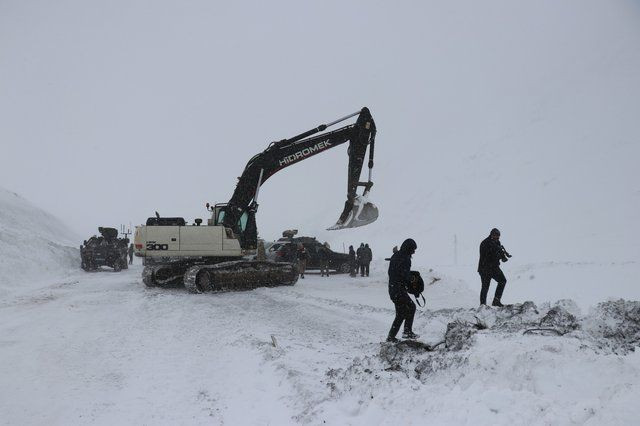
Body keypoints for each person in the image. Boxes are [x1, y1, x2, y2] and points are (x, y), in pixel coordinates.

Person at [387, 238, 419, 342]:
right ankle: (407, 331)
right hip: (398, 289)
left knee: (400, 313)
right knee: (411, 307)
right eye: (413, 249)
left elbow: (394, 272)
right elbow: (405, 276)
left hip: (393, 289)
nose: (414, 252)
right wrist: (413, 279)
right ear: (409, 248)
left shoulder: (396, 255)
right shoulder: (405, 258)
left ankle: (391, 337)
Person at [478, 228, 508, 307]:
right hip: (485, 268)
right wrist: (497, 252)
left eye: (498, 236)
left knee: (502, 281)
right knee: (485, 286)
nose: (497, 238)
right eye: (495, 236)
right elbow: (487, 256)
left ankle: (496, 301)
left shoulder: (497, 242)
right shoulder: (485, 243)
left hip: (494, 268)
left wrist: (503, 257)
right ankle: (483, 305)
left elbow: (499, 252)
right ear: (491, 235)